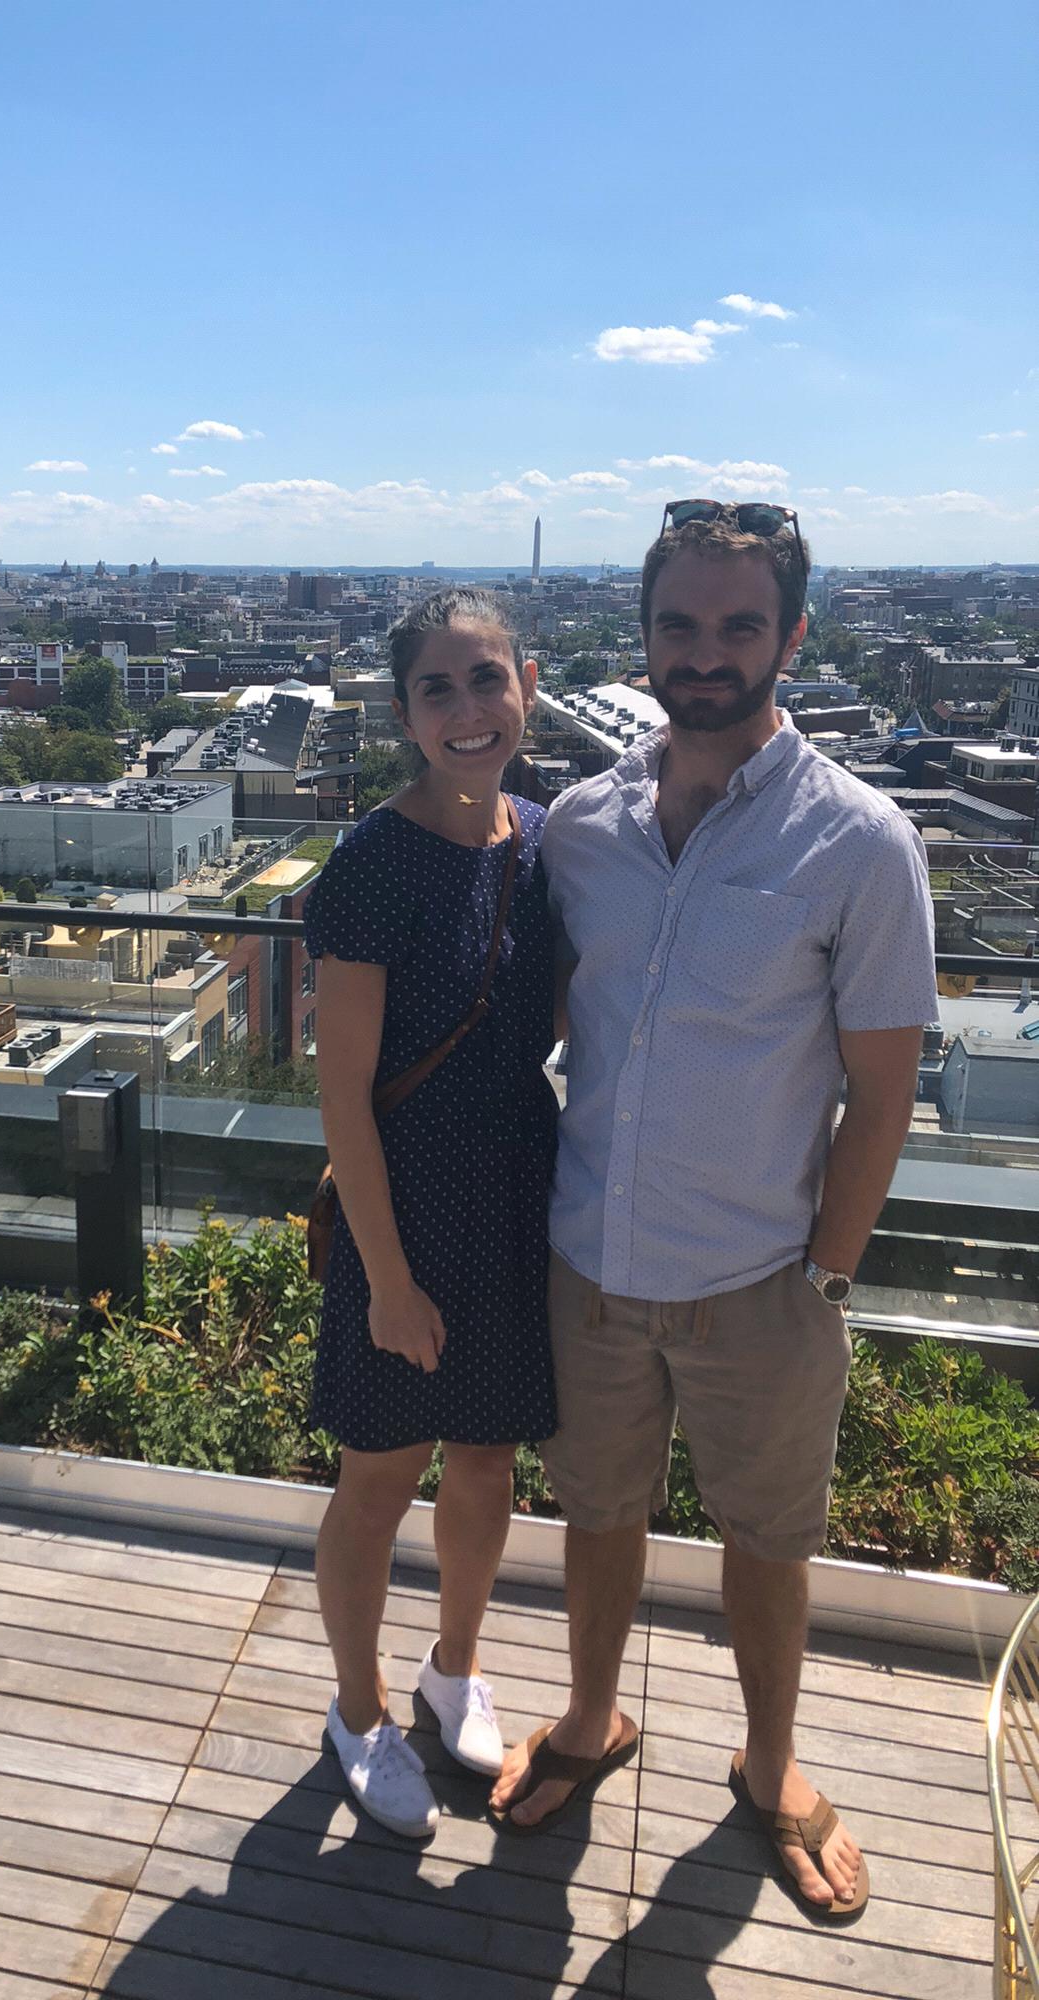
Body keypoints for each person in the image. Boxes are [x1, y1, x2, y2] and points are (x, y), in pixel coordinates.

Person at [491, 501, 937, 1921]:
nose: (708, 652)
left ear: (793, 637)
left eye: (741, 623)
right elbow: (537, 1021)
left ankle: (771, 1765)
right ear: (646, 636)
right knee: (598, 1515)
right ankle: (589, 1719)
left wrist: (828, 1278)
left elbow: (882, 1096)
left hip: (762, 1278)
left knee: (769, 1544)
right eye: (680, 623)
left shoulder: (861, 845)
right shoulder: (585, 829)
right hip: (589, 1257)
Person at [305, 586, 559, 1841]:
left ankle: (453, 1665)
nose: (468, 711)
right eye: (438, 689)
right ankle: (359, 1710)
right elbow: (342, 1095)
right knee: (377, 1475)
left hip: (516, 1202)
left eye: (487, 680)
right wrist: (390, 1277)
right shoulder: (370, 866)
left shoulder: (546, 842)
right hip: (401, 1216)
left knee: (486, 1455)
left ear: (526, 684)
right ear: (404, 711)